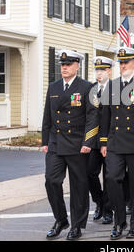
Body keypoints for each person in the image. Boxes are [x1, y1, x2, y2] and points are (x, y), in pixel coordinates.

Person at [99, 47, 134, 240]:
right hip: (115, 142)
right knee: (112, 179)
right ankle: (119, 221)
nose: (123, 65)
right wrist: (103, 142)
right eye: (120, 62)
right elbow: (105, 116)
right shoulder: (112, 85)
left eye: (126, 62)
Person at [42, 50, 99, 241]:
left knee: (79, 187)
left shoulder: (88, 87)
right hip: (56, 143)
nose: (64, 68)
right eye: (62, 65)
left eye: (68, 64)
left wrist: (88, 142)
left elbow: (93, 117)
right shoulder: (53, 87)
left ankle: (77, 226)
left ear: (77, 66)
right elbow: (47, 117)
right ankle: (60, 219)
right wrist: (44, 141)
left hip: (77, 145)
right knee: (51, 181)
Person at [88, 56, 114, 225]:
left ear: (109, 71)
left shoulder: (117, 88)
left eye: (102, 70)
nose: (99, 73)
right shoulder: (90, 89)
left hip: (111, 139)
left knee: (109, 176)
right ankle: (99, 202)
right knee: (90, 173)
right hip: (94, 140)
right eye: (97, 70)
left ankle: (108, 209)